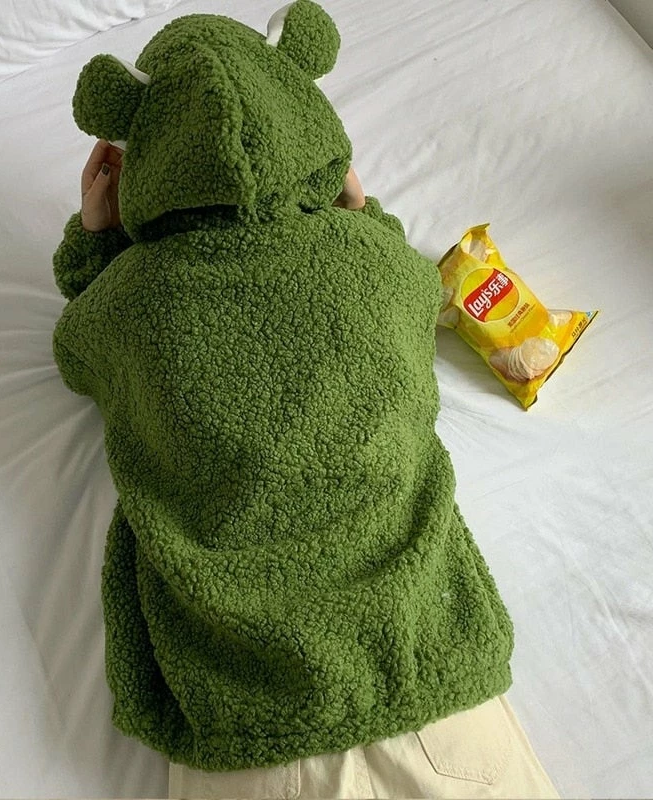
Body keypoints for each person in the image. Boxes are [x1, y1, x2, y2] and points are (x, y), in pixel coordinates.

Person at [52, 4, 560, 798]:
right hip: (432, 683)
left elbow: (77, 350)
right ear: (302, 114)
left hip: (253, 720)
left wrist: (94, 241)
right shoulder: (376, 267)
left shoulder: (130, 304)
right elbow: (412, 283)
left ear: (141, 151)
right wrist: (363, 214)